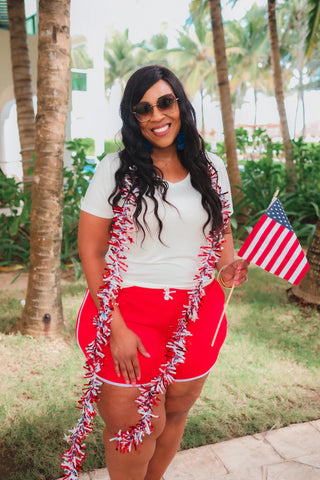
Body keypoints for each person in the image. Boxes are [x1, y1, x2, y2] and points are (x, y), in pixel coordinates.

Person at [71, 65, 249, 480]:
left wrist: (229, 268)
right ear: (133, 118)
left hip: (197, 312)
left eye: (165, 102)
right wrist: (114, 326)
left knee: (172, 413)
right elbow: (92, 250)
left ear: (180, 105)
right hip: (127, 311)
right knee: (135, 426)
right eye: (143, 108)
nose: (157, 115)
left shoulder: (211, 167)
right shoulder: (115, 169)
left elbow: (219, 238)